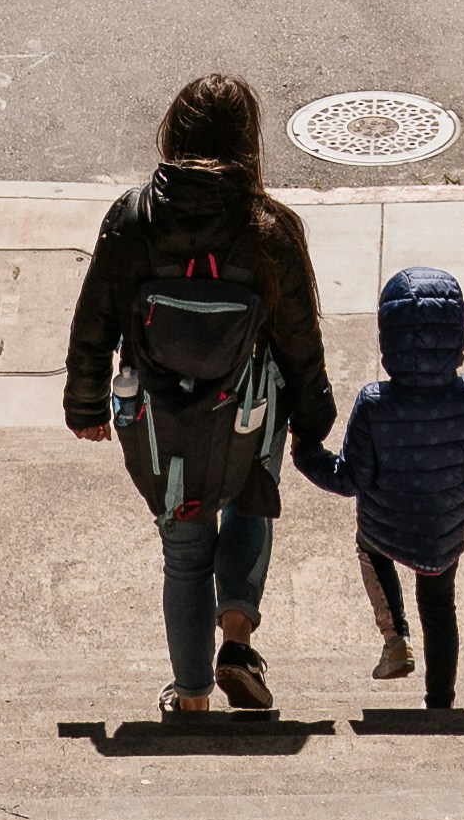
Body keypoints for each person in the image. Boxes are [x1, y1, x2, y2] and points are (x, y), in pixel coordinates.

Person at [62, 75, 338, 718]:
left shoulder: (132, 218)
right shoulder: (269, 227)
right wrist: (313, 419)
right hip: (250, 412)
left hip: (162, 420)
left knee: (184, 547)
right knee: (250, 504)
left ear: (173, 135)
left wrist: (85, 404)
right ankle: (237, 644)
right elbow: (298, 336)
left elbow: (94, 317)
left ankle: (191, 699)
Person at [333, 261, 464, 721]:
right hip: (445, 532)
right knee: (439, 608)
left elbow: (349, 478)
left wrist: (302, 455)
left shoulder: (374, 402)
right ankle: (440, 703)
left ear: (388, 337)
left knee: (369, 547)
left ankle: (394, 638)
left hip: (385, 525)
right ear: (457, 334)